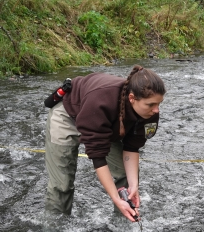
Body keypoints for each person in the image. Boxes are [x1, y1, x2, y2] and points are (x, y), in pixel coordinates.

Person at [44, 65, 166, 222]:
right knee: (62, 184)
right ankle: (53, 231)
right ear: (131, 98)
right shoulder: (101, 100)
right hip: (68, 115)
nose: (156, 110)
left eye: (159, 104)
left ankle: (123, 224)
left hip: (108, 124)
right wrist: (115, 197)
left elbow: (132, 147)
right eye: (151, 105)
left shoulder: (150, 112)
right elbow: (98, 157)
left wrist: (134, 186)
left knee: (125, 177)